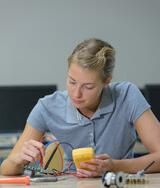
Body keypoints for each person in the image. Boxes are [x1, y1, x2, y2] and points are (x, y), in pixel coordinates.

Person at [1, 38, 160, 177]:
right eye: (72, 82)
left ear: (106, 82)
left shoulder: (127, 95)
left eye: (88, 87)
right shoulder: (47, 107)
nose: (76, 94)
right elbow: (6, 169)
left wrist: (116, 166)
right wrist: (17, 159)